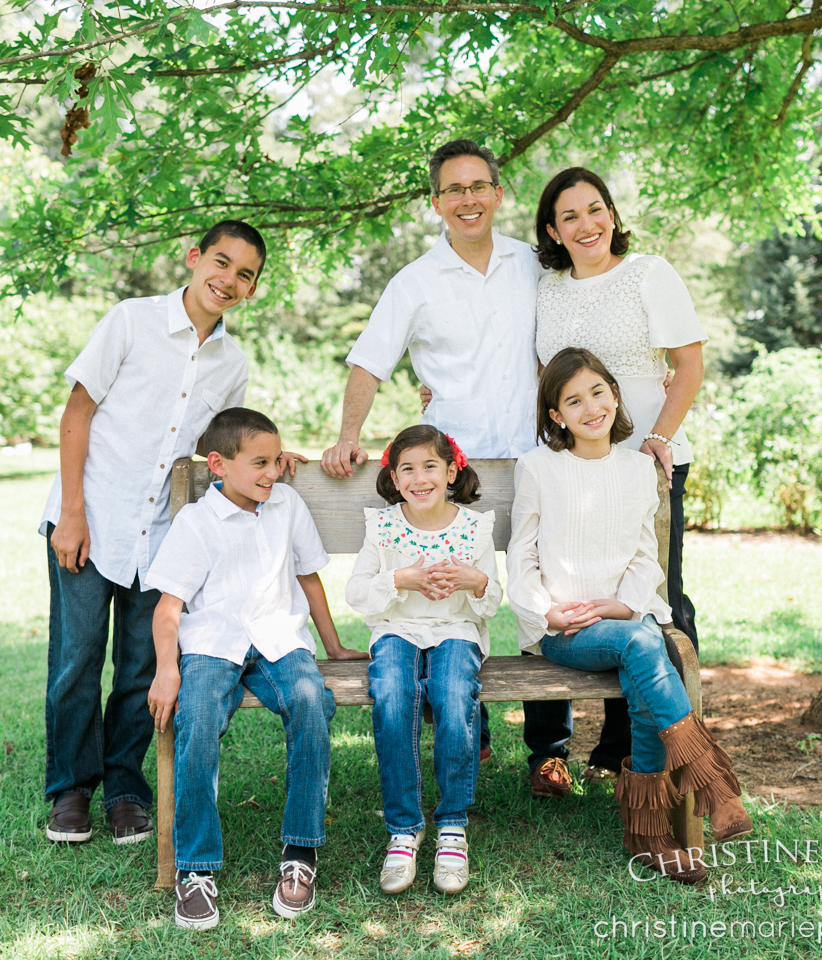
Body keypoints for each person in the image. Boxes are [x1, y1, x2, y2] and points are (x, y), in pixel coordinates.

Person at [321, 139, 569, 799]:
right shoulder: (415, 282)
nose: (467, 199)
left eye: (477, 186)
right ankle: (471, 728)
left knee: (537, 594)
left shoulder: (533, 264)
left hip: (531, 457)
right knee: (449, 589)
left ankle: (549, 751)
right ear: (436, 203)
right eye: (452, 190)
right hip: (451, 470)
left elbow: (564, 345)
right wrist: (349, 436)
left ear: (498, 192)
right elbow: (369, 362)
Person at [40, 221, 286, 847]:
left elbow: (219, 448)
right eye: (221, 263)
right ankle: (70, 790)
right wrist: (73, 512)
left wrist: (279, 457)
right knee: (75, 661)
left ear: (253, 290)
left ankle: (125, 787)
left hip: (161, 536)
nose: (228, 280)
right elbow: (79, 410)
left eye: (245, 275)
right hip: (93, 519)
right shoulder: (131, 320)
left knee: (139, 665)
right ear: (194, 257)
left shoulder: (234, 364)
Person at [506, 348, 749, 883]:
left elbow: (645, 557)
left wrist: (624, 605)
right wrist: (548, 612)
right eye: (573, 400)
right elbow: (520, 558)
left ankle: (648, 835)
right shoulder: (539, 467)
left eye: (598, 392)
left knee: (642, 658)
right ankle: (709, 785)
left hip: (624, 619)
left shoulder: (639, 468)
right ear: (556, 416)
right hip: (565, 630)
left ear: (615, 396)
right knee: (645, 644)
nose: (590, 407)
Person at [144, 408, 367, 930]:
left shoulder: (286, 503)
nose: (271, 472)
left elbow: (308, 578)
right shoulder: (196, 523)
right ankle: (195, 869)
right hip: (211, 644)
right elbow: (168, 607)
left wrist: (332, 648)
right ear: (218, 465)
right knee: (196, 718)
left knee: (312, 703)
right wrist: (166, 670)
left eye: (275, 459)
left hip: (278, 638)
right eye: (259, 463)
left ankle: (300, 854)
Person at [532, 167, 708, 780]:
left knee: (652, 600)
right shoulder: (546, 286)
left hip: (643, 461)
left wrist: (656, 437)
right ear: (552, 229)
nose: (588, 224)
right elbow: (534, 367)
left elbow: (688, 364)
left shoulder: (649, 274)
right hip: (569, 466)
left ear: (612, 213)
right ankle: (548, 754)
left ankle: (631, 752)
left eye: (596, 208)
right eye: (571, 216)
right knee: (563, 589)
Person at [346, 425, 502, 896]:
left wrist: (475, 581)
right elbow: (356, 593)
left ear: (452, 471)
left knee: (454, 696)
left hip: (457, 630)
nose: (420, 478)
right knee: (393, 694)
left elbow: (491, 602)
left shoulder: (474, 527)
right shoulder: (384, 524)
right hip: (397, 630)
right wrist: (401, 578)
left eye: (430, 466)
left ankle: (452, 826)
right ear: (393, 478)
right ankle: (404, 828)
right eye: (407, 468)